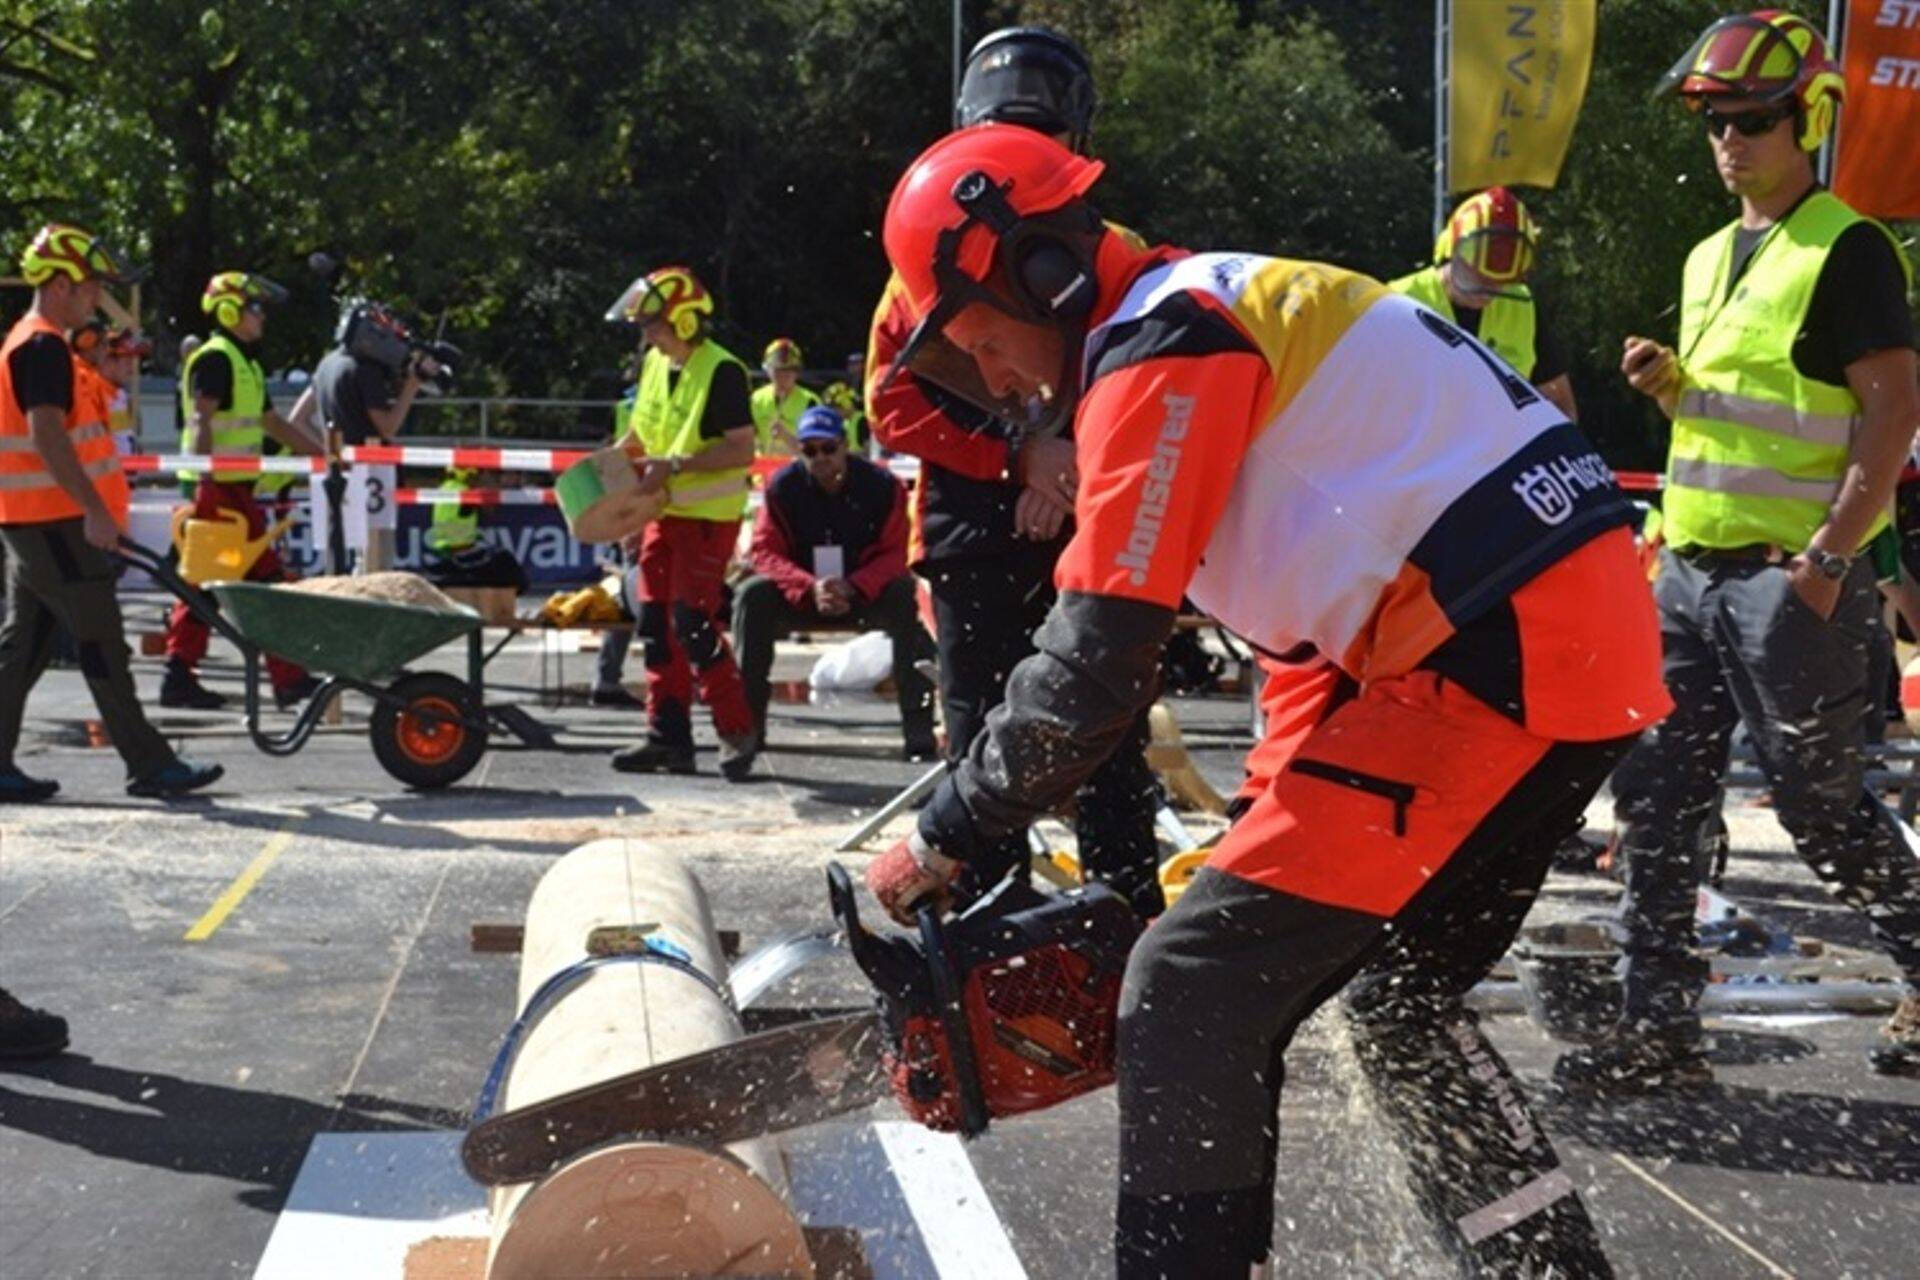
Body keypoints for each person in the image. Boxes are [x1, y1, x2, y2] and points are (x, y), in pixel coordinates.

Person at [862, 124, 1667, 1277]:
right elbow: (1305, 644)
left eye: (984, 342)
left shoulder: (1166, 341)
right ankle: (1549, 1266)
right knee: (1391, 997)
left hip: (1502, 644)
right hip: (1551, 636)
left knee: (1195, 982)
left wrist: (950, 828)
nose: (995, 381)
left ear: (1038, 269)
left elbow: (1092, 667)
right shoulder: (1214, 319)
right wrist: (1258, 823)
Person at [1556, 10, 1920, 1092]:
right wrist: (1674, 388)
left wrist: (1827, 563)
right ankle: (1656, 1028)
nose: (1729, 141)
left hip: (1783, 580)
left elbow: (1891, 413)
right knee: (1658, 803)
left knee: (1819, 805)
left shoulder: (1845, 245)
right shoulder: (1715, 251)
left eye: (1752, 120)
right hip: (1690, 574)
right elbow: (1756, 410)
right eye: (1715, 121)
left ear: (1805, 118)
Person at [866, 25, 1163, 916]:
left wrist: (1064, 469)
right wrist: (1019, 457)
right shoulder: (918, 263)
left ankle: (1122, 940)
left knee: (1108, 741)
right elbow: (893, 402)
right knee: (978, 744)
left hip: (1081, 523)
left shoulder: (1113, 248)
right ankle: (989, 960)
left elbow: (1146, 383)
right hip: (974, 533)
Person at [0, 222, 222, 801]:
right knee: (101, 640)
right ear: (63, 283)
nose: (99, 296)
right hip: (57, 523)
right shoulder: (43, 345)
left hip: (37, 522)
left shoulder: (34, 342)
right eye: (94, 284)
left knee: (23, 648)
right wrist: (95, 510)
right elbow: (46, 433)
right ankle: (150, 763)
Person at [604, 266, 759, 780]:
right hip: (659, 515)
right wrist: (618, 492)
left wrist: (678, 465)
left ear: (686, 320)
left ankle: (736, 730)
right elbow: (639, 437)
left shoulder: (723, 371)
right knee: (653, 626)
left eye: (654, 324)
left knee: (693, 624)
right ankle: (667, 737)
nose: (646, 334)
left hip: (707, 518)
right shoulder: (654, 364)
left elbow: (741, 448)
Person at [732, 405, 937, 759]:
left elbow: (896, 552)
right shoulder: (782, 488)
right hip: (803, 593)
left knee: (906, 596)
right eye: (810, 450)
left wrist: (855, 585)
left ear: (845, 446)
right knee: (751, 596)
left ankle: (918, 733)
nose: (820, 458)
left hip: (863, 591)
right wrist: (808, 586)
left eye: (829, 448)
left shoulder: (882, 486)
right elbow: (764, 551)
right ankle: (747, 730)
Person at [162, 272, 321, 710]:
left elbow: (275, 425)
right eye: (254, 307)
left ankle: (179, 676)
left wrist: (324, 456)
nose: (261, 316)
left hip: (233, 493)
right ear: (229, 311)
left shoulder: (244, 363)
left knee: (205, 587)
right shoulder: (216, 359)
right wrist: (205, 486)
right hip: (219, 493)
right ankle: (287, 680)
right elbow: (200, 423)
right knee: (259, 583)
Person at [1389, 186, 1579, 421]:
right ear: (1450, 252)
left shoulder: (1522, 306)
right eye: (1475, 279)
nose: (1486, 293)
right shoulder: (1397, 301)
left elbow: (1561, 407)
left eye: (1499, 285)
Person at [749, 337, 819, 455]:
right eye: (777, 370)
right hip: (764, 468)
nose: (783, 376)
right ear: (768, 370)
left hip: (798, 468)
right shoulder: (756, 399)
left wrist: (787, 437)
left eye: (788, 370)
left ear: (797, 372)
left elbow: (817, 449)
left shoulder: (810, 402)